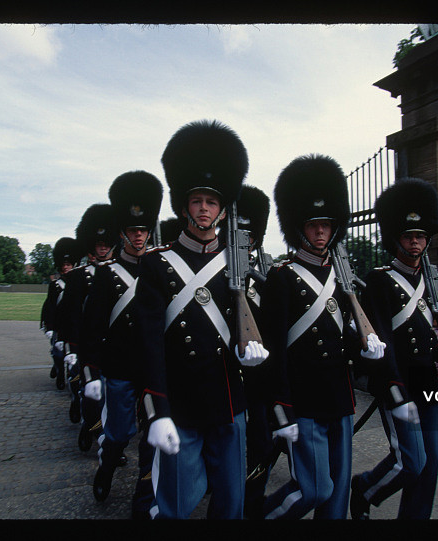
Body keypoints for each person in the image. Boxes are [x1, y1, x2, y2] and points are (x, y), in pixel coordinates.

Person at [135, 119, 268, 519]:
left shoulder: (240, 266)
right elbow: (148, 344)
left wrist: (255, 352)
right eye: (197, 201)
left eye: (211, 202)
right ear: (183, 207)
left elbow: (256, 329)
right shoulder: (158, 265)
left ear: (223, 209)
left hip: (229, 401)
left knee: (231, 505)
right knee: (176, 505)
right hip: (180, 403)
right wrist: (156, 411)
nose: (204, 209)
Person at [260, 154, 384, 520]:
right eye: (313, 226)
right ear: (300, 228)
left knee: (337, 498)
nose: (320, 232)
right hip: (304, 400)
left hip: (340, 398)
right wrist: (281, 408)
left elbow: (343, 340)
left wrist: (368, 352)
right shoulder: (283, 278)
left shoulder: (343, 281)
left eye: (326, 226)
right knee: (315, 489)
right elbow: (276, 350)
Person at [349, 178, 438, 520]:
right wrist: (395, 389)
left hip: (429, 382)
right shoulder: (379, 281)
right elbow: (381, 339)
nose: (415, 242)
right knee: (412, 462)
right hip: (397, 383)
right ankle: (365, 489)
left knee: (430, 467)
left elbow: (435, 331)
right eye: (408, 236)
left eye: (420, 236)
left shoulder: (432, 281)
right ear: (396, 239)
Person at [79, 171, 164, 515]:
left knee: (151, 437)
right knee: (119, 432)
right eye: (132, 230)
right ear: (123, 233)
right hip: (119, 367)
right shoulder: (106, 274)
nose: (139, 236)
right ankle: (107, 463)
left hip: (152, 369)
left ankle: (143, 498)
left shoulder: (160, 268)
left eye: (143, 230)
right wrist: (90, 373)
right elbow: (90, 328)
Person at [219, 185, 276, 519]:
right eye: (239, 232)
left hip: (261, 378)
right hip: (224, 374)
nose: (245, 239)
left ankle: (252, 503)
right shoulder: (213, 268)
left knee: (262, 445)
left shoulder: (268, 271)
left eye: (250, 235)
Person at [65, 204, 119, 445]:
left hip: (116, 346)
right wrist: (72, 350)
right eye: (99, 244)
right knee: (92, 395)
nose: (103, 246)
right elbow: (72, 316)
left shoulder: (121, 273)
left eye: (106, 243)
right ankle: (92, 427)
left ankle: (111, 443)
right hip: (89, 345)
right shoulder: (78, 276)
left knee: (115, 398)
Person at [40, 237, 82, 390]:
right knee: (58, 353)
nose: (66, 267)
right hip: (59, 324)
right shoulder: (55, 285)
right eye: (64, 265)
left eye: (69, 264)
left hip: (72, 325)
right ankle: (59, 372)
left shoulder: (79, 282)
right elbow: (50, 306)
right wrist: (50, 327)